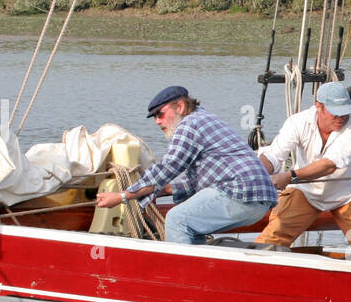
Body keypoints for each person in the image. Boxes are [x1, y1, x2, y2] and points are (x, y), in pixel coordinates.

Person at [95, 85, 277, 245]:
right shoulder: (205, 118)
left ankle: (180, 275)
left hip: (240, 193)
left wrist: (122, 196)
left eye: (160, 114)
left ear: (180, 107)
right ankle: (201, 274)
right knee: (192, 227)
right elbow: (200, 179)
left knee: (177, 219)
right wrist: (160, 190)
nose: (157, 121)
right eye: (154, 117)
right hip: (259, 199)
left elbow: (168, 167)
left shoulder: (189, 125)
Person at [256, 82, 351, 264]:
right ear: (318, 106)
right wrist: (257, 174)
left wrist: (289, 176)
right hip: (306, 194)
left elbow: (330, 165)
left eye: (345, 111)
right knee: (270, 241)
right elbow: (274, 155)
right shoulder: (297, 122)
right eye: (335, 112)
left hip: (349, 195)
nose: (341, 117)